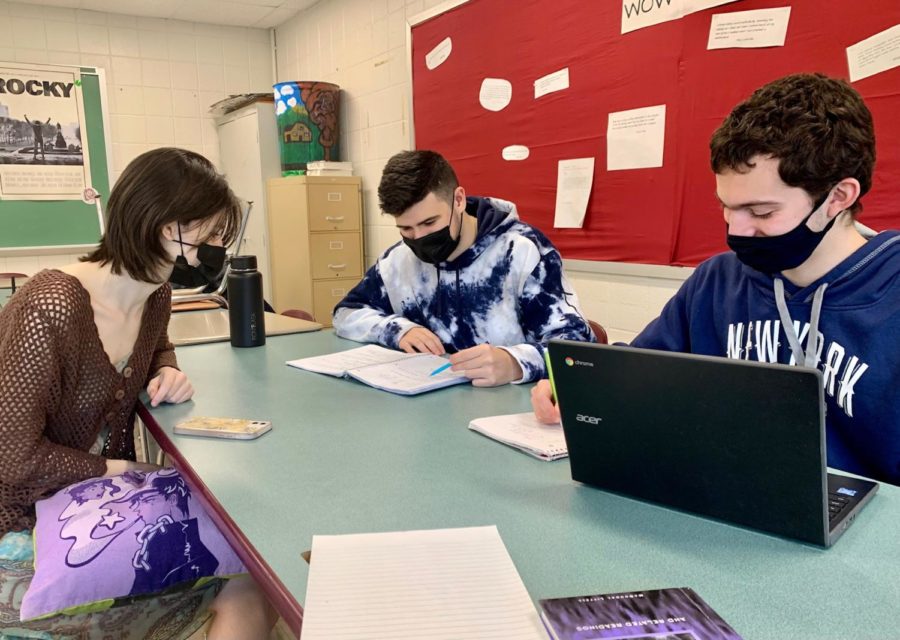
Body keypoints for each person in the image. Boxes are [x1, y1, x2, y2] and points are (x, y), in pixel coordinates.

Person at [532, 73, 899, 486]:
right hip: (727, 495)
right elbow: (643, 374)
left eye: (761, 212)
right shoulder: (717, 281)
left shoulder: (890, 294)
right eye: (726, 206)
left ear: (838, 197)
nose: (737, 229)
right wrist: (578, 386)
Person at [0, 148, 275, 638]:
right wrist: (124, 469)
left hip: (93, 503)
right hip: (25, 526)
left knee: (253, 569)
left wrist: (167, 370)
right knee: (251, 581)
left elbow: (157, 345)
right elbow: (12, 458)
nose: (218, 248)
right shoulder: (50, 305)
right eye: (210, 235)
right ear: (162, 226)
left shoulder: (157, 294)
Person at [332, 150, 595, 386]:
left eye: (429, 223)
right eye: (406, 228)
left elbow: (576, 347)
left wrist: (515, 362)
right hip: (425, 409)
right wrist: (397, 330)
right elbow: (346, 313)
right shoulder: (397, 261)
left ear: (458, 200)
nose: (419, 237)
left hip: (507, 409)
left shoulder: (522, 251)